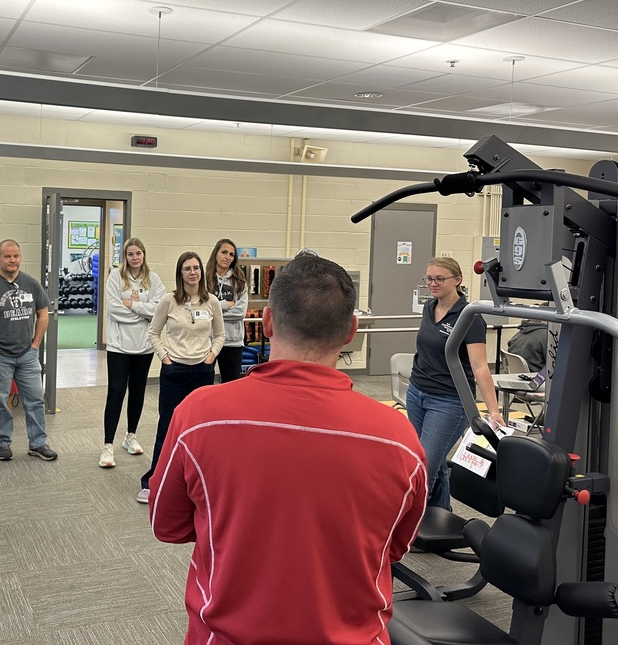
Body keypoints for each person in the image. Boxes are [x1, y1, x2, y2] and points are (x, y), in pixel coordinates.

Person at [148, 254, 427, 645]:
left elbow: (168, 525)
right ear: (352, 331)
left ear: (266, 323)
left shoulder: (199, 416)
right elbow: (394, 547)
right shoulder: (399, 439)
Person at [407, 256, 504, 511]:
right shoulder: (430, 307)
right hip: (417, 392)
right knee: (429, 461)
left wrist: (493, 410)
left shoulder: (469, 317)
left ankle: (409, 522)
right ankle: (439, 516)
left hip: (448, 402)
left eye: (439, 279)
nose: (433, 284)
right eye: (429, 278)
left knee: (424, 465)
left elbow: (480, 366)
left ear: (457, 280)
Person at [137, 251, 224, 504]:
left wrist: (210, 357)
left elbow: (220, 335)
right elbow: (153, 333)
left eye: (196, 268)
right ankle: (153, 481)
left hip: (202, 372)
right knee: (167, 427)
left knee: (199, 428)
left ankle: (198, 480)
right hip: (173, 371)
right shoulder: (169, 301)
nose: (193, 272)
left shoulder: (212, 303)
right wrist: (165, 357)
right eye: (187, 268)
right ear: (180, 273)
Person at [0, 239, 57, 461]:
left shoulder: (31, 283)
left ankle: (38, 443)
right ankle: (2, 443)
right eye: (7, 256)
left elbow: (43, 313)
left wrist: (36, 344)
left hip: (27, 354)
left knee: (36, 399)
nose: (13, 260)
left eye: (16, 256)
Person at [100, 237, 166, 468]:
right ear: (125, 257)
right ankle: (108, 446)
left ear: (144, 255)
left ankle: (131, 436)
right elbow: (115, 310)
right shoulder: (115, 277)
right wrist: (143, 312)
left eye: (138, 253)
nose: (135, 257)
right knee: (116, 393)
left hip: (144, 346)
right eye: (131, 254)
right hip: (119, 346)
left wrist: (134, 306)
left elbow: (159, 309)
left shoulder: (154, 279)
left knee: (138, 391)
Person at [206, 238, 249, 383]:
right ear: (216, 253)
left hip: (232, 342)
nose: (227, 257)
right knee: (204, 384)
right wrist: (225, 305)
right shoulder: (204, 280)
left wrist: (213, 310)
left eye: (231, 254)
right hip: (208, 340)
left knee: (230, 385)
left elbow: (240, 313)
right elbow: (201, 309)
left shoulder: (240, 282)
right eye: (224, 252)